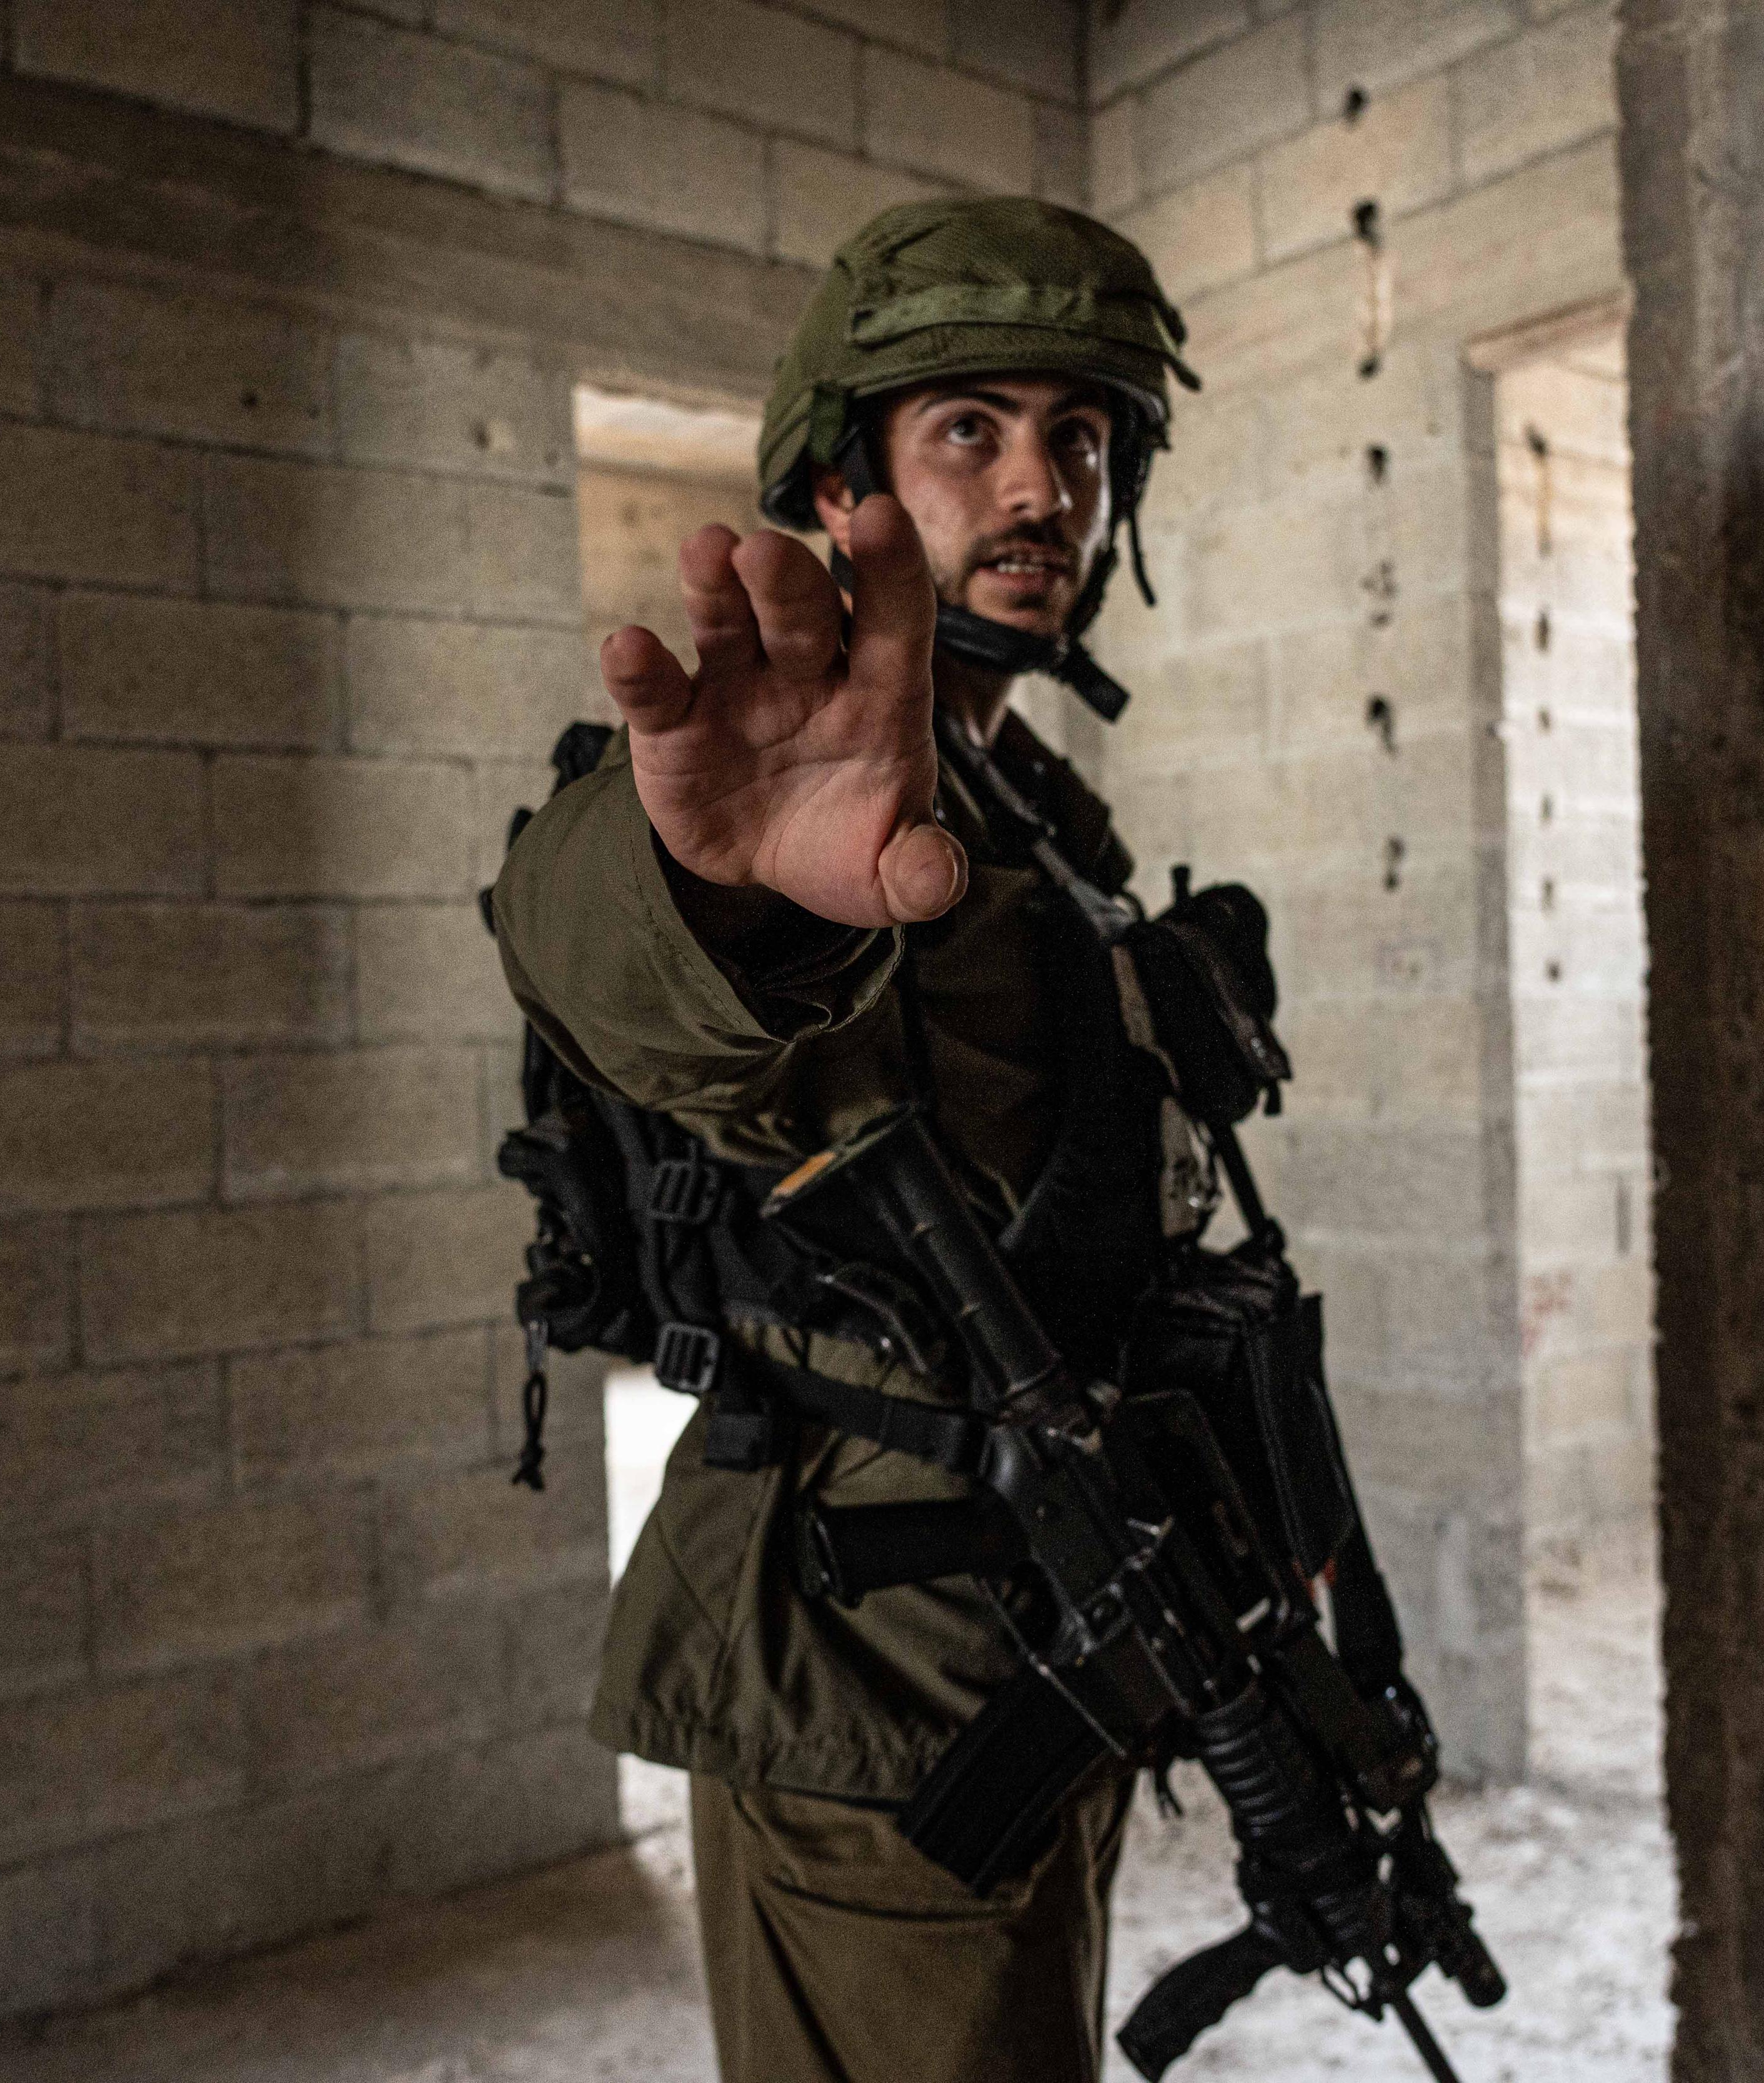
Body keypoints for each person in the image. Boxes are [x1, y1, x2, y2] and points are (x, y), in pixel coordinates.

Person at [491, 197, 1198, 2083]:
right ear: (841, 482)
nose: (1043, 488)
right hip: (867, 1659)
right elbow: (609, 948)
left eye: (1084, 437)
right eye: (970, 430)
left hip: (1047, 1610)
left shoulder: (1032, 812)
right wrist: (731, 898)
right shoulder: (781, 785)